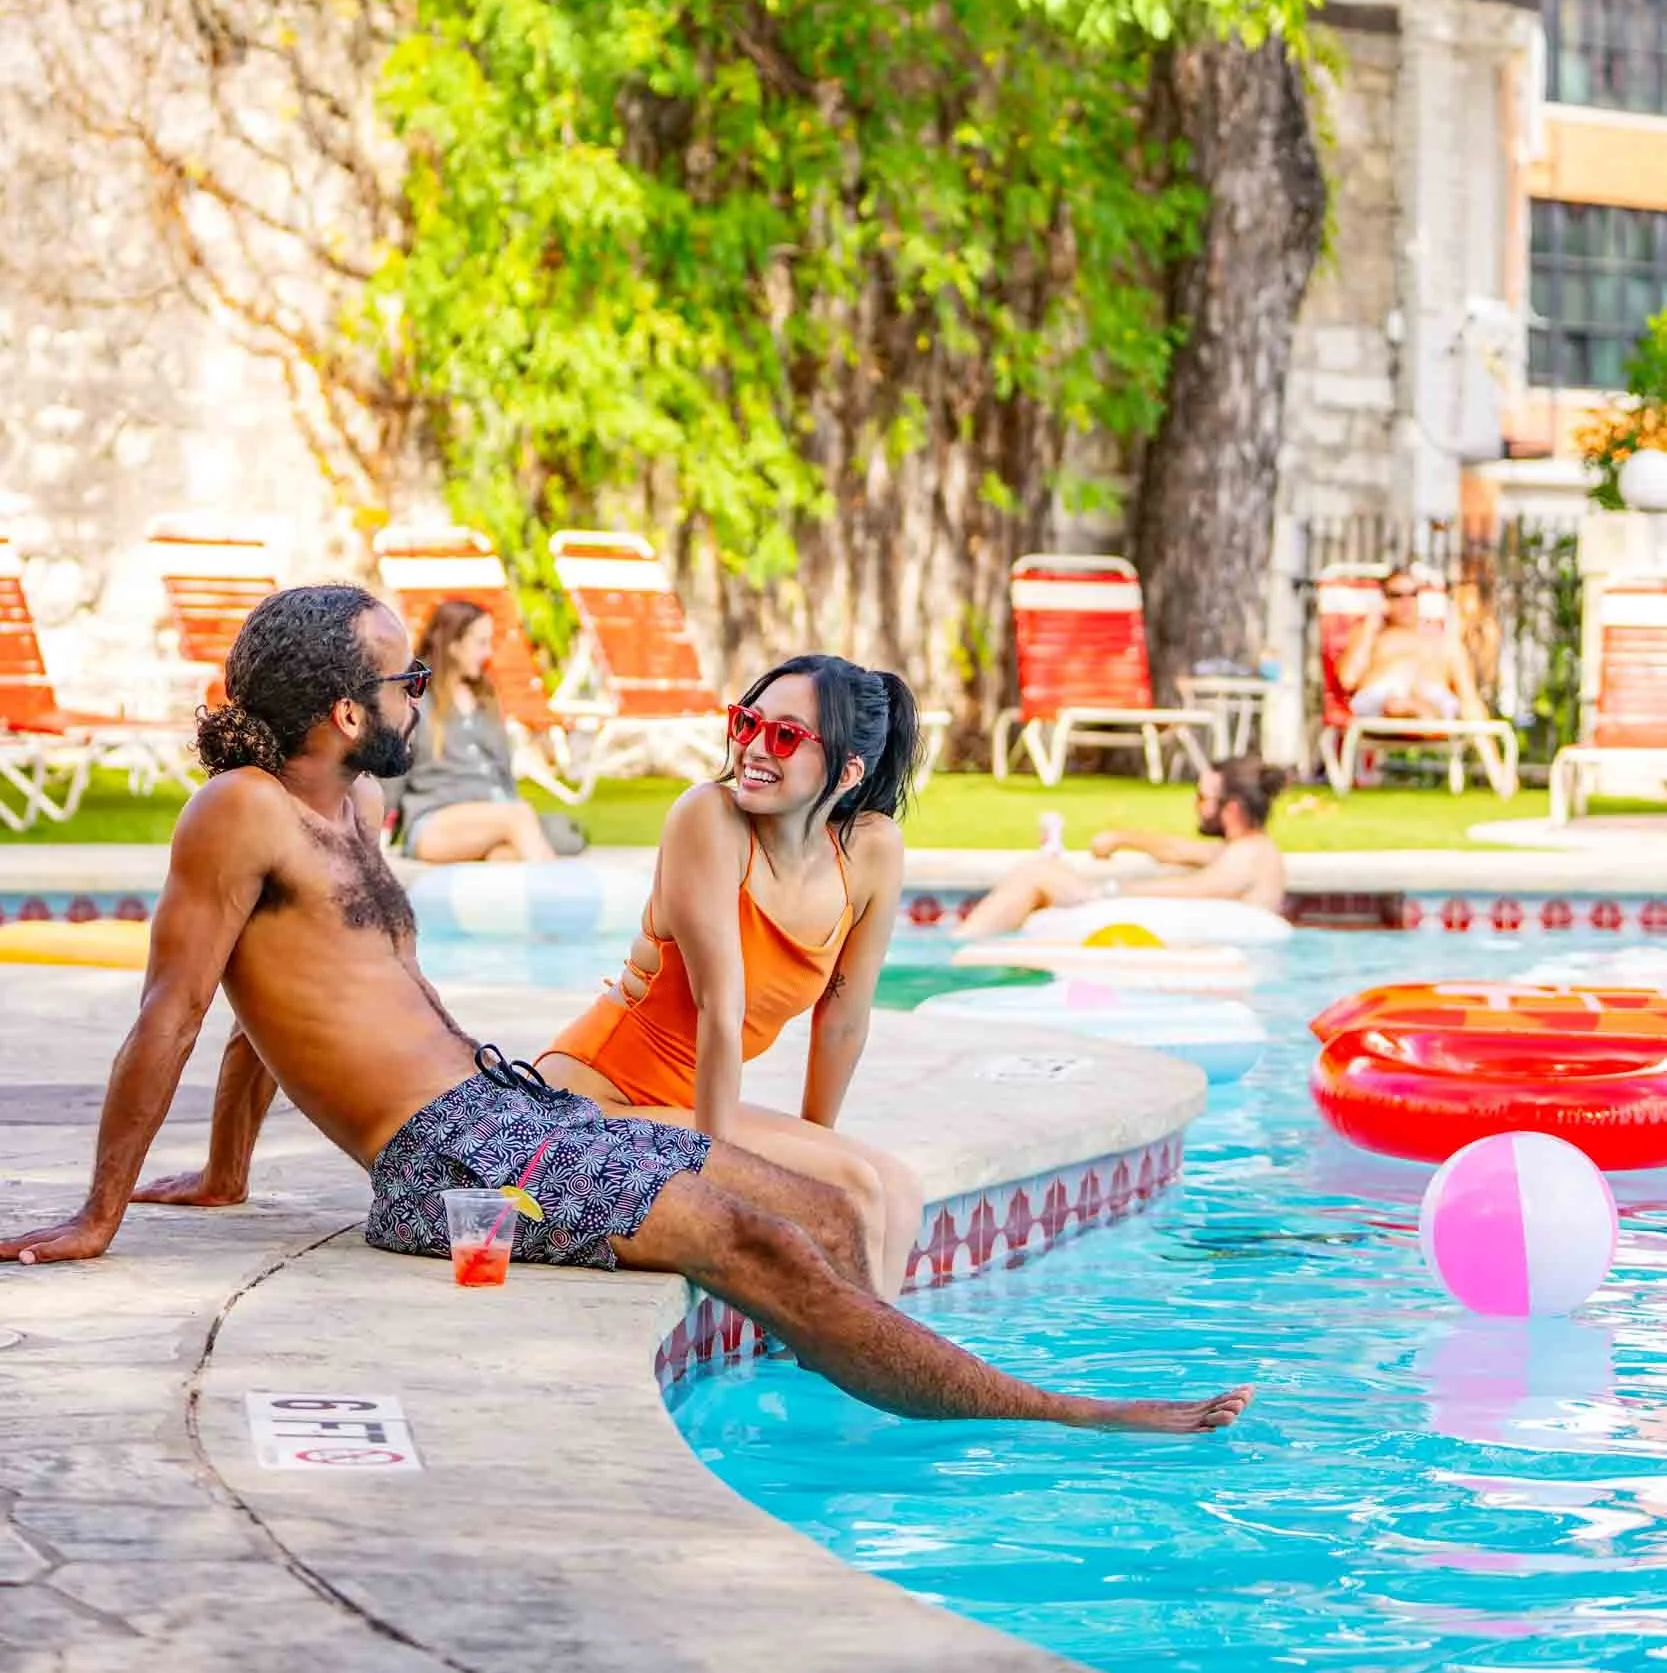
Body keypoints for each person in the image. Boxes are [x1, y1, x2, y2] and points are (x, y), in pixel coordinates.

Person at [0, 585, 1251, 1441]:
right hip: (442, 1161)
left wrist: (229, 1173)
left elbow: (268, 1007)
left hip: (502, 1108)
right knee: (755, 1241)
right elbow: (173, 1011)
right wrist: (102, 1211)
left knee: (818, 1209)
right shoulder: (239, 812)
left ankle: (835, 1414)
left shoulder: (353, 810)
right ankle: (1062, 1415)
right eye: (408, 678)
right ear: (345, 710)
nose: (421, 695)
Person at [536, 656, 921, 1296]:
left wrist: (815, 1145)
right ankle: (858, 1350)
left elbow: (844, 1019)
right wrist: (721, 1171)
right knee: (852, 1188)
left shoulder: (871, 851)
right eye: (747, 722)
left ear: (849, 772)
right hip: (591, 1101)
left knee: (897, 1189)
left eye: (787, 735)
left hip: (683, 1104)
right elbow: (720, 1007)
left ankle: (845, 1354)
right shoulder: (709, 818)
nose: (755, 747)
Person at [956, 757, 1289, 939]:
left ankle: (962, 945)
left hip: (1150, 922)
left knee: (1038, 875)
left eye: (1203, 798)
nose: (1196, 805)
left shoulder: (1249, 856)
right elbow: (1176, 850)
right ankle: (968, 941)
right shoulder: (1246, 848)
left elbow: (1195, 889)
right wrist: (1121, 838)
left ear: (1232, 809)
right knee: (1041, 876)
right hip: (1161, 922)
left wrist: (1109, 891)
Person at [390, 598, 576, 865]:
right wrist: (371, 834)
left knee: (507, 855)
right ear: (453, 645)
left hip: (494, 820)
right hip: (434, 823)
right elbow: (391, 771)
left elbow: (503, 771)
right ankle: (562, 890)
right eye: (480, 643)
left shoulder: (484, 698)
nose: (487, 653)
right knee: (519, 816)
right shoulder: (415, 701)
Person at [1338, 568, 1484, 725]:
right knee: (1395, 704)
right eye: (1396, 595)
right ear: (1384, 601)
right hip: (1381, 702)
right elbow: (1348, 679)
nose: (1406, 602)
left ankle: (1418, 711)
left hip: (1432, 699)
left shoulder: (1443, 641)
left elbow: (1469, 697)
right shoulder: (1371, 634)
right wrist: (1371, 624)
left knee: (1440, 705)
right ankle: (1414, 711)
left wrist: (1484, 734)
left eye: (1413, 594)